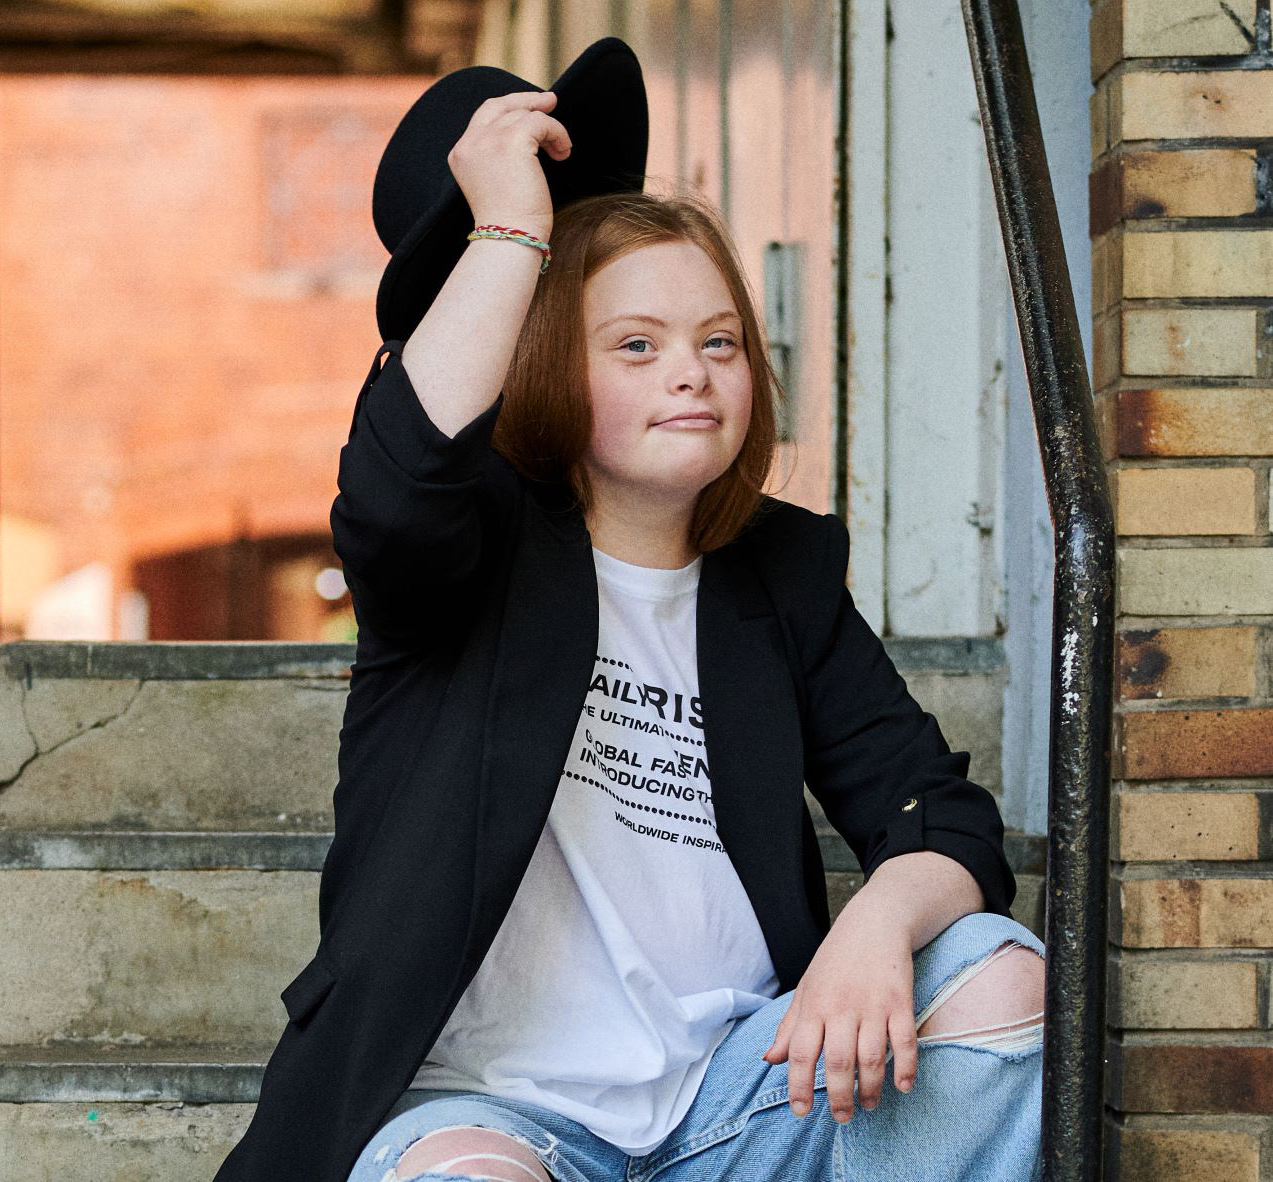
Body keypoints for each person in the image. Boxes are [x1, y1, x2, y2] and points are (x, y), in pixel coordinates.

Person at [211, 38, 1046, 1182]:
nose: (692, 374)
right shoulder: (467, 567)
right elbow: (399, 493)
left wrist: (875, 927)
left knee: (996, 969)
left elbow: (940, 818)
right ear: (551, 367)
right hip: (492, 1115)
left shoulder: (780, 573)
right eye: (637, 348)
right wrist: (511, 229)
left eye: (719, 343)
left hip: (740, 1095)